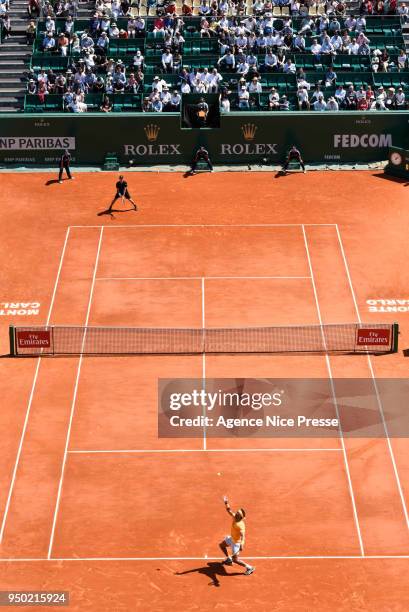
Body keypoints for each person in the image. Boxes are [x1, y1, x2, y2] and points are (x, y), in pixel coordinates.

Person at [219, 496, 255, 575]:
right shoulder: (234, 517)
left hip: (236, 543)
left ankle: (249, 567)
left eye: (238, 513)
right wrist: (226, 502)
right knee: (221, 545)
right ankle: (229, 559)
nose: (236, 513)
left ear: (240, 517)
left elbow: (243, 536)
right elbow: (229, 510)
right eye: (237, 512)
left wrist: (242, 544)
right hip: (232, 538)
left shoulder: (240, 525)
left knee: (236, 560)